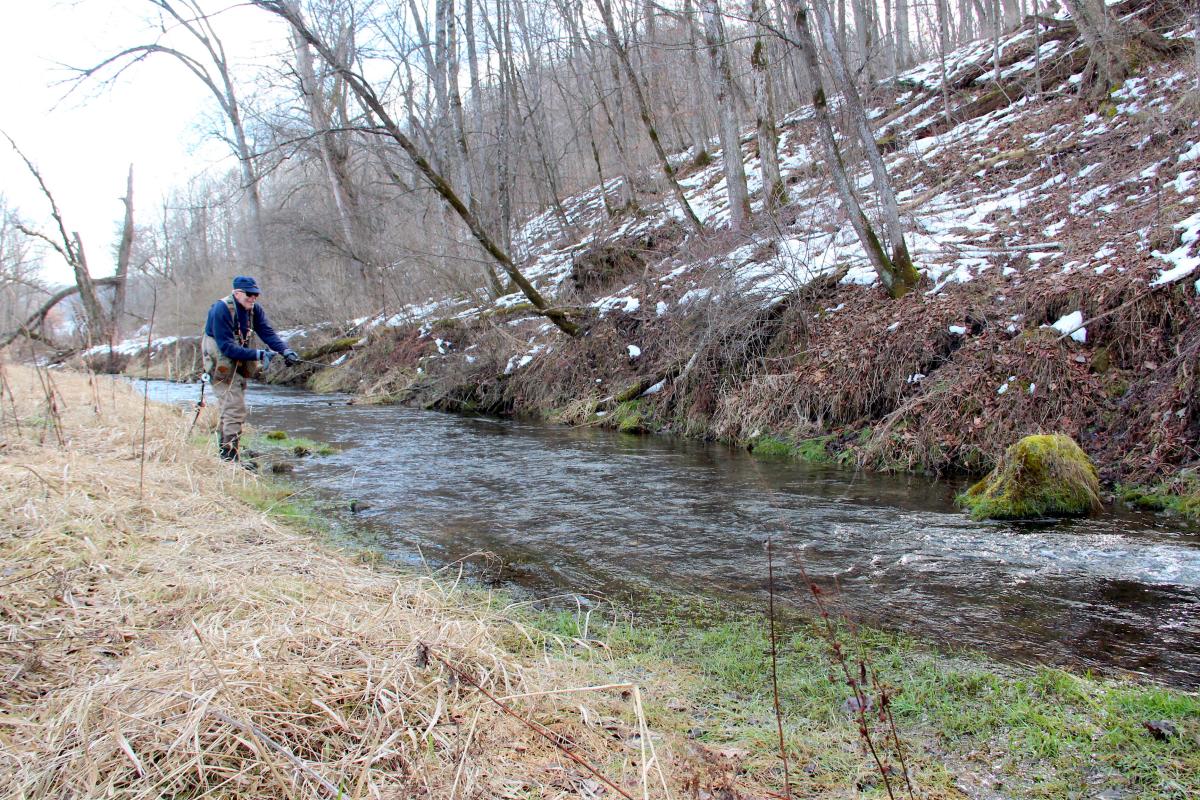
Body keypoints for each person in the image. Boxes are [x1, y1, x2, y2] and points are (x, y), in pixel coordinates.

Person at [202, 276, 300, 461]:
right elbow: (226, 347)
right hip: (220, 366)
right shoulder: (220, 310)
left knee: (231, 409)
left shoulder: (254, 310)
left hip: (237, 362)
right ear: (237, 293)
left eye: (256, 294)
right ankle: (230, 459)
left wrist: (286, 350)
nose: (253, 298)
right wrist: (259, 355)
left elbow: (267, 333)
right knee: (233, 409)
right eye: (250, 294)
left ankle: (226, 455)